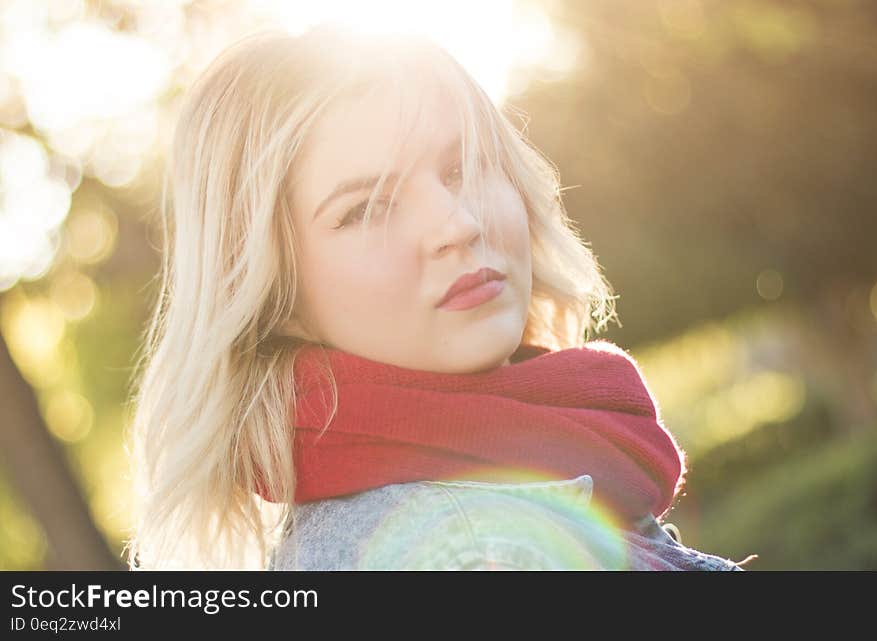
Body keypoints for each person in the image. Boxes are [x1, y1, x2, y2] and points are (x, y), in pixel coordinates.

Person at [125, 23, 757, 571]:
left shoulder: (517, 481)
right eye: (368, 208)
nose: (456, 223)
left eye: (462, 167)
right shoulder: (460, 551)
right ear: (272, 288)